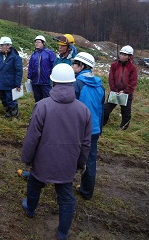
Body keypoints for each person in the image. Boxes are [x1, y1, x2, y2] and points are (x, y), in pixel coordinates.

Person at [21, 63, 92, 240]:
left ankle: (30, 209)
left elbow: (32, 137)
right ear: (72, 83)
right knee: (66, 197)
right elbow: (86, 143)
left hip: (42, 162)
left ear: (53, 82)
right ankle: (62, 233)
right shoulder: (84, 110)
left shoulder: (42, 106)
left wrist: (27, 159)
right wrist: (80, 164)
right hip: (67, 164)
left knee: (35, 184)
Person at [72, 52, 105, 200]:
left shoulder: (77, 83)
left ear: (82, 66)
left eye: (75, 63)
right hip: (94, 129)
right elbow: (100, 110)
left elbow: (71, 109)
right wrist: (99, 129)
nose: (72, 66)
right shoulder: (100, 85)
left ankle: (61, 183)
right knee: (90, 160)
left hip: (78, 129)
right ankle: (86, 191)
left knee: (68, 156)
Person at [103, 45, 138, 130]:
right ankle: (102, 124)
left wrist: (125, 91)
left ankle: (123, 129)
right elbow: (111, 78)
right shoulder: (114, 65)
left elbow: (133, 82)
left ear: (130, 57)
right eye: (121, 54)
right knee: (106, 109)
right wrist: (114, 90)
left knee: (126, 113)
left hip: (127, 94)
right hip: (115, 92)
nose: (122, 56)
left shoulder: (133, 68)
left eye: (125, 55)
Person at [0, 37, 23, 118]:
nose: (0, 47)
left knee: (10, 99)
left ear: (8, 46)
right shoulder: (0, 56)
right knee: (3, 98)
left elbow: (19, 71)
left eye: (2, 45)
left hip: (10, 84)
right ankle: (8, 111)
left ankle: (14, 114)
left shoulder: (16, 57)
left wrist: (17, 84)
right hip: (1, 82)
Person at [27, 35, 56, 102]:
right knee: (37, 99)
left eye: (38, 42)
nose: (36, 43)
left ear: (43, 43)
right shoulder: (34, 54)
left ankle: (48, 112)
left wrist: (52, 79)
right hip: (35, 82)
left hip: (46, 82)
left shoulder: (49, 53)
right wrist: (29, 77)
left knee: (48, 99)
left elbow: (54, 66)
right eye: (35, 42)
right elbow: (30, 67)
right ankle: (39, 111)